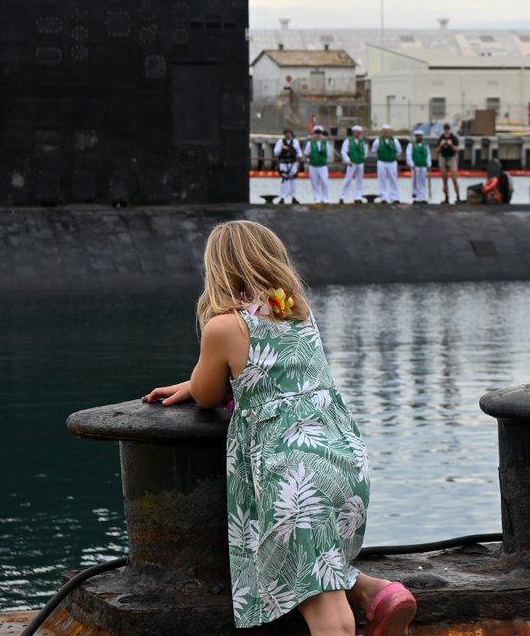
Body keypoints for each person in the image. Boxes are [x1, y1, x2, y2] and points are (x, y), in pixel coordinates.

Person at [142, 221, 418, 636]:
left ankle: (367, 597)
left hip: (291, 473)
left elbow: (206, 395)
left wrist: (196, 383)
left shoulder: (223, 327)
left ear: (216, 269)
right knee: (318, 564)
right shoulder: (299, 315)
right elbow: (274, 374)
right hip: (343, 459)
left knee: (327, 611)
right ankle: (378, 593)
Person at [273, 128, 302, 204]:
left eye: (289, 133)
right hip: (284, 163)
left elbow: (299, 152)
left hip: (292, 163)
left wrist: (298, 156)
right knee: (284, 180)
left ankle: (294, 197)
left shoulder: (295, 142)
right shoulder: (280, 142)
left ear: (291, 133)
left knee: (293, 181)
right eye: (286, 133)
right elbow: (276, 153)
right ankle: (282, 198)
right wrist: (281, 149)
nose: (288, 134)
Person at [373, 125, 401, 204]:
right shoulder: (377, 141)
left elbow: (399, 151)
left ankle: (394, 197)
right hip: (382, 162)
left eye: (387, 131)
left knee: (393, 180)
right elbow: (374, 150)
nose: (386, 132)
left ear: (390, 132)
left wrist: (393, 157)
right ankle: (384, 198)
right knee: (382, 180)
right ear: (382, 132)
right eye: (384, 131)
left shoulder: (395, 141)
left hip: (392, 162)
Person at [339, 126, 367, 204]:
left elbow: (365, 150)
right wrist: (348, 160)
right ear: (353, 132)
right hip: (352, 162)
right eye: (357, 132)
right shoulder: (348, 141)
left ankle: (357, 197)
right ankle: (342, 197)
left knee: (359, 180)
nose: (358, 134)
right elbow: (343, 151)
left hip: (360, 162)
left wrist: (363, 157)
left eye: (359, 132)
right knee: (348, 179)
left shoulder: (362, 141)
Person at [435, 123, 461, 203]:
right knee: (444, 179)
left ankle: (458, 197)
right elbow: (437, 151)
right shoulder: (441, 138)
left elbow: (457, 150)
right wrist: (441, 145)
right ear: (444, 129)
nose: (446, 130)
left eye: (448, 128)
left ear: (449, 129)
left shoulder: (453, 138)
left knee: (454, 179)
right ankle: (446, 198)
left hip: (451, 158)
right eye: (445, 129)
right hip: (443, 157)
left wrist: (451, 145)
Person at [306, 126, 331, 204]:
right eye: (316, 133)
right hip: (313, 165)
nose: (318, 135)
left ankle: (325, 197)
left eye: (319, 133)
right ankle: (317, 197)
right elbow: (307, 153)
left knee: (325, 181)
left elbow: (328, 154)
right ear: (314, 134)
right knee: (314, 182)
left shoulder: (326, 143)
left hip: (322, 165)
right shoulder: (310, 143)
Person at [404, 129, 430, 204]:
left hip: (423, 165)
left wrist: (429, 164)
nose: (419, 137)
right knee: (416, 181)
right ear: (416, 137)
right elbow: (408, 155)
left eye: (420, 136)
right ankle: (417, 196)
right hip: (416, 166)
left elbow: (428, 155)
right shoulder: (411, 145)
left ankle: (422, 197)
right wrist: (411, 164)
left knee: (422, 182)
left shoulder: (425, 145)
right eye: (418, 136)